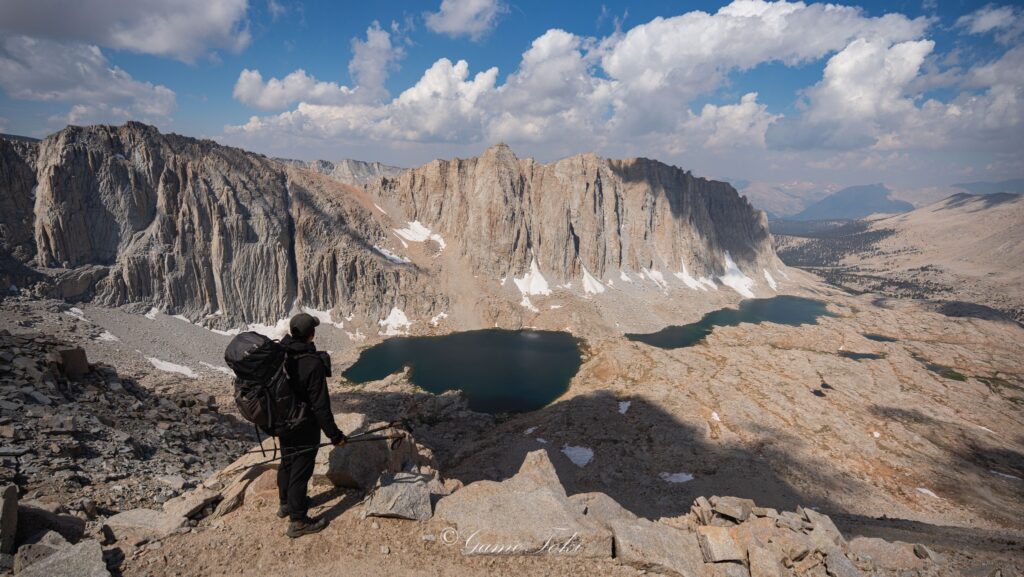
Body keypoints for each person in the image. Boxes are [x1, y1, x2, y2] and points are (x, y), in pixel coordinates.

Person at [277, 312, 346, 538]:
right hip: (304, 424)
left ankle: (285, 504)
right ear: (311, 334)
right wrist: (335, 436)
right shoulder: (312, 363)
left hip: (283, 420)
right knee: (301, 469)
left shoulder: (281, 353)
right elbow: (321, 407)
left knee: (287, 461)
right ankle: (298, 522)